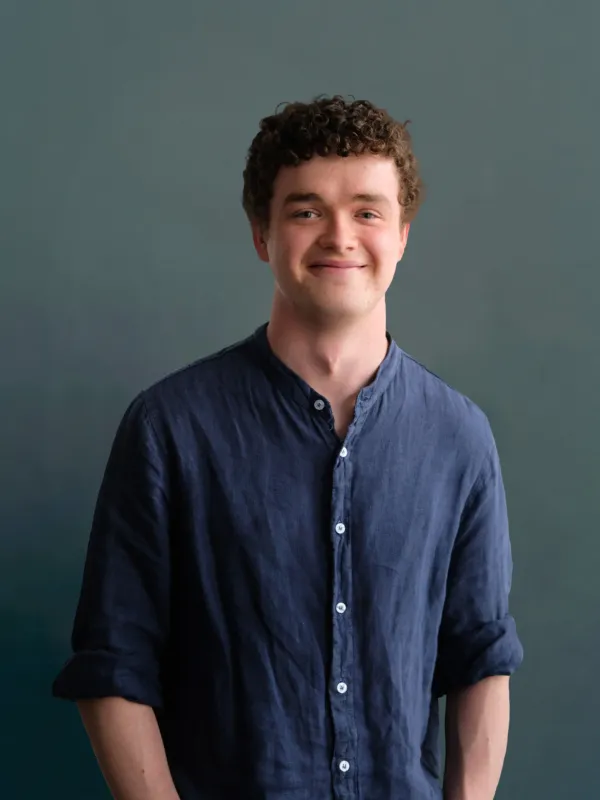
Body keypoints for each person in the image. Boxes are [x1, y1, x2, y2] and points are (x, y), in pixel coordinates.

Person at [52, 95, 523, 800]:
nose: (340, 236)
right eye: (306, 210)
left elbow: (480, 659)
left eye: (367, 211)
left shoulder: (459, 437)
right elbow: (113, 665)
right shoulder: (170, 428)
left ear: (402, 235)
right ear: (261, 234)